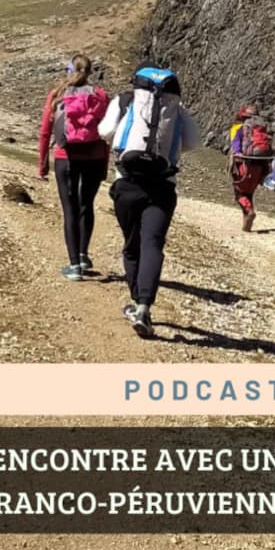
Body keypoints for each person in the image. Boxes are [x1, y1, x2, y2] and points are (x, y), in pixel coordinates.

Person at [99, 66, 199, 339]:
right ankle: (144, 305)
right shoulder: (176, 108)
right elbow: (193, 142)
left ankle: (137, 302)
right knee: (153, 244)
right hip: (163, 186)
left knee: (132, 246)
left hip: (127, 183)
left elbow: (105, 131)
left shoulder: (124, 100)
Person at [38, 55, 109, 281]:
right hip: (94, 157)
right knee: (86, 204)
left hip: (65, 156)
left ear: (69, 70)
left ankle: (74, 266)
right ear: (91, 71)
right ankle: (83, 253)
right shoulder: (100, 96)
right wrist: (105, 164)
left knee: (69, 208)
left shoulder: (57, 94)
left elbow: (45, 132)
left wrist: (42, 165)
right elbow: (107, 133)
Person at [229, 103, 270, 232]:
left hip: (245, 165)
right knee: (249, 193)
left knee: (239, 193)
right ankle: (246, 223)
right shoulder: (261, 127)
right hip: (259, 166)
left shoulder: (241, 128)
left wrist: (236, 153)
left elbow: (236, 143)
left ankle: (249, 211)